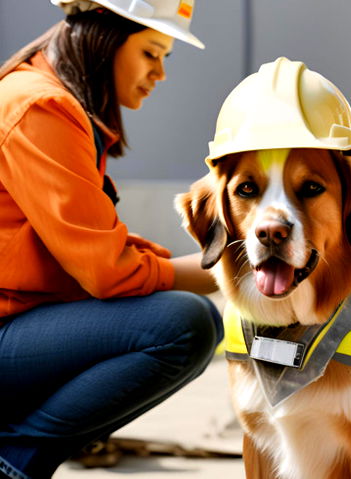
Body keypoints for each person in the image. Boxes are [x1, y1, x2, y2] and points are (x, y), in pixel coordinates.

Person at [0, 1, 222, 478]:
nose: (160, 72)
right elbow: (104, 272)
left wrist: (174, 263)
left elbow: (91, 241)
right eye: (151, 52)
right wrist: (222, 272)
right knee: (185, 325)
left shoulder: (47, 97)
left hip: (18, 320)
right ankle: (13, 461)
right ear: (103, 37)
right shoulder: (41, 107)